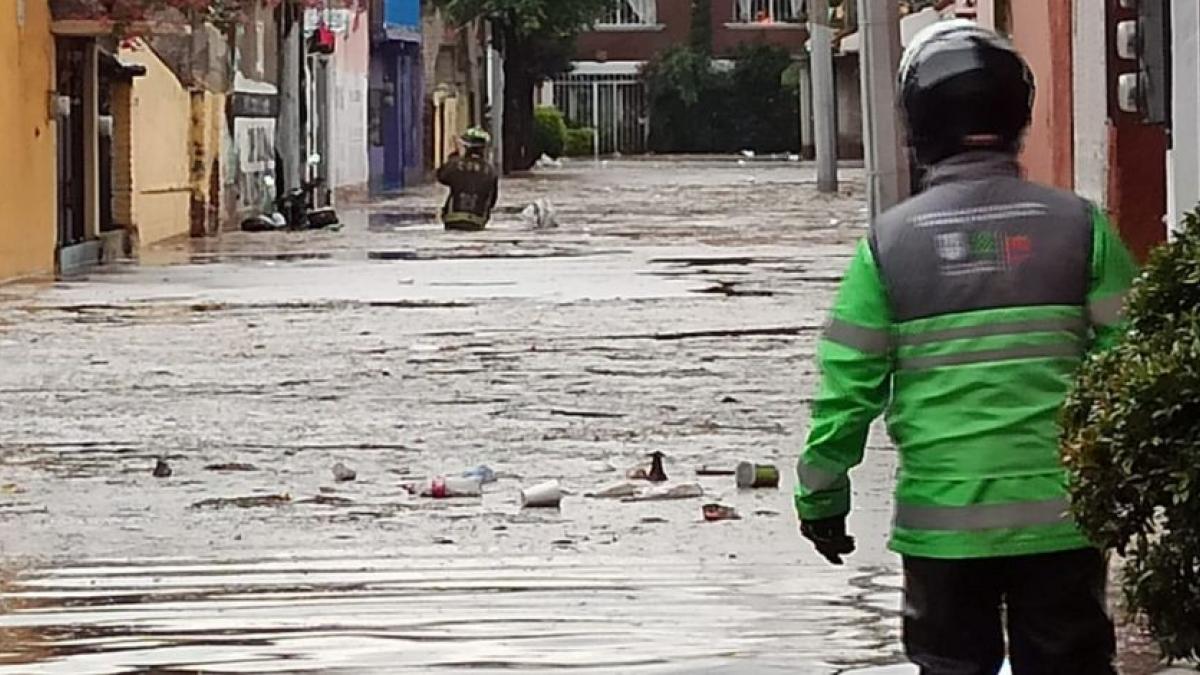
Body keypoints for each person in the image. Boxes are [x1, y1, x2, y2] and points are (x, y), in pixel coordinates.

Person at [793, 20, 1138, 675]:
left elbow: (845, 394)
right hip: (1065, 523)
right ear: (1018, 114)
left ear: (918, 123)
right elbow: (1131, 366)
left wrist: (820, 499)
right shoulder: (1080, 227)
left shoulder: (888, 247)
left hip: (942, 529)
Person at [437, 127, 499, 231]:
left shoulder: (454, 164)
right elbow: (492, 201)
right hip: (477, 220)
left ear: (466, 147)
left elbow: (441, 177)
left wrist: (452, 157)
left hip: (452, 218)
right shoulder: (490, 170)